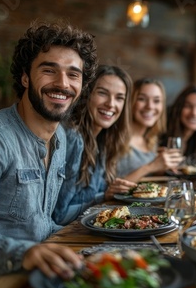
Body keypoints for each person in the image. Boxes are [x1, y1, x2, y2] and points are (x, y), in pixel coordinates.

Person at [0, 21, 97, 288]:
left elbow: (41, 226)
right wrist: (24, 253)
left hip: (41, 279)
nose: (62, 84)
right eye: (49, 70)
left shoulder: (60, 141)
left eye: (74, 74)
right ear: (25, 77)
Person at [52, 65, 137, 225]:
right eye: (102, 93)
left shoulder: (104, 140)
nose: (111, 104)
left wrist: (109, 194)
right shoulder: (72, 138)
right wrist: (103, 197)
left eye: (119, 98)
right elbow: (59, 215)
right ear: (87, 94)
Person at [116, 78, 183, 181]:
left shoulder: (150, 140)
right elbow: (111, 188)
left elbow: (146, 180)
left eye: (156, 101)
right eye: (142, 99)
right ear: (130, 102)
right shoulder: (117, 138)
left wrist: (162, 167)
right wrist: (152, 166)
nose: (150, 106)